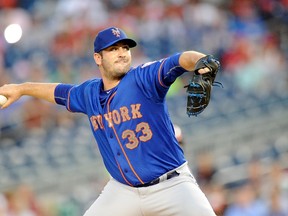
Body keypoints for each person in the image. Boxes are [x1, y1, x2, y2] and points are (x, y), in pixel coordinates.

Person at [0, 27, 217, 216]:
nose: (122, 53)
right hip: (124, 191)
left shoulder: (144, 79)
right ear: (98, 58)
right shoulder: (89, 93)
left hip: (171, 186)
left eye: (125, 48)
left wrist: (202, 62)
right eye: (113, 49)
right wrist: (21, 88)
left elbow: (180, 60)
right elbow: (58, 91)